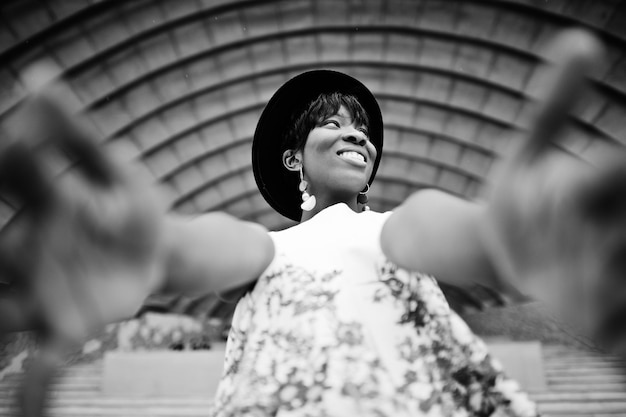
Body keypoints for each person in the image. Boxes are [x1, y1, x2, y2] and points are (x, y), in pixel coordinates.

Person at [0, 29, 624, 417]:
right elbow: (202, 249)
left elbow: (442, 230)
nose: (357, 132)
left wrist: (500, 239)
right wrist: (158, 251)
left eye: (363, 126)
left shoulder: (400, 228)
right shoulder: (263, 248)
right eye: (334, 121)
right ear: (294, 157)